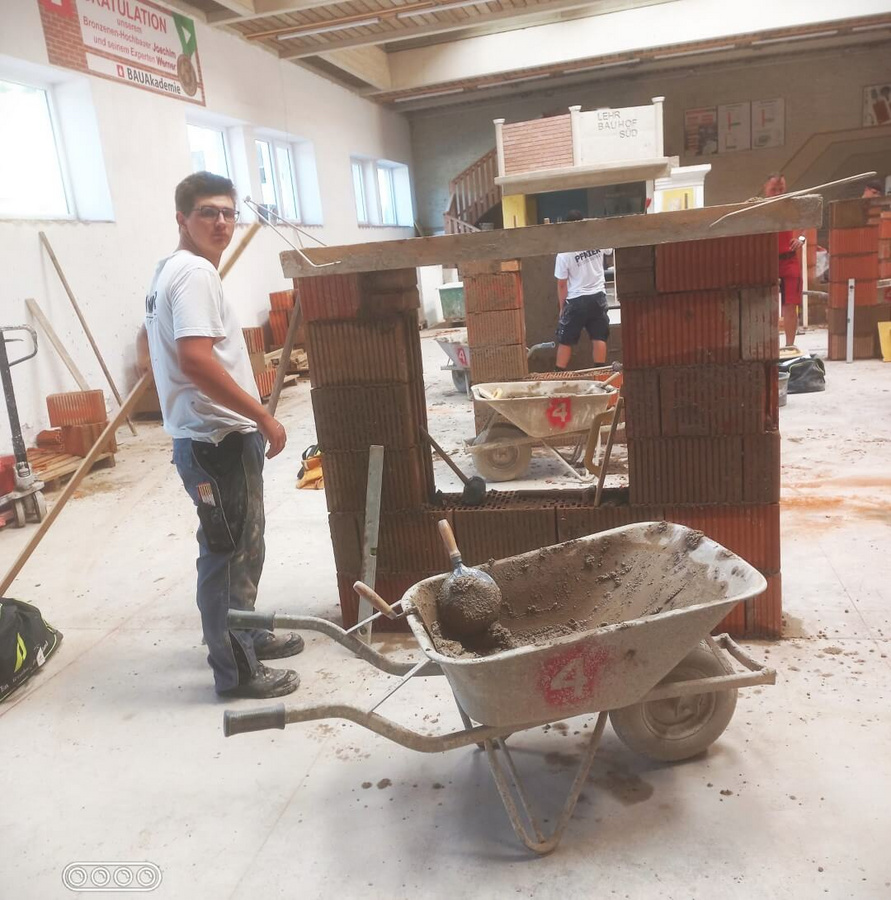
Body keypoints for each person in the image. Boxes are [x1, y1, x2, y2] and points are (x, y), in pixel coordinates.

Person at [137, 171, 303, 699]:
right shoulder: (193, 276)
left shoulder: (171, 271)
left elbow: (154, 348)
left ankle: (248, 634)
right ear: (182, 218)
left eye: (229, 212)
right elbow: (194, 359)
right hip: (216, 442)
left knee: (242, 548)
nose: (222, 222)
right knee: (228, 554)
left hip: (211, 437)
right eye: (208, 212)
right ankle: (237, 671)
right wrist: (263, 416)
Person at [553, 210, 614, 370]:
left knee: (566, 339)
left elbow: (561, 284)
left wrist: (562, 308)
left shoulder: (564, 252)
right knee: (598, 336)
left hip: (576, 300)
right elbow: (610, 250)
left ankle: (559, 373)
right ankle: (600, 372)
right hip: (598, 297)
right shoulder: (595, 240)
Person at [761, 173, 804, 349]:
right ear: (766, 189)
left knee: (790, 305)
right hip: (767, 262)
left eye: (781, 189)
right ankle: (766, 346)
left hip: (789, 260)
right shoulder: (759, 208)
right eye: (774, 190)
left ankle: (789, 346)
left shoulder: (792, 207)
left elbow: (805, 222)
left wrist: (801, 238)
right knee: (764, 306)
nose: (778, 193)